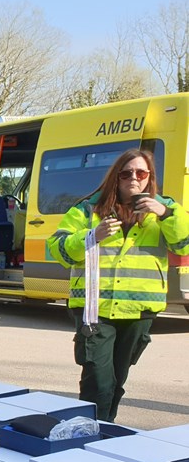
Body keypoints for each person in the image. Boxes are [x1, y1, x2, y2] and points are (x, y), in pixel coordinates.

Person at [46, 148, 189, 422]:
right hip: (94, 310)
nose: (133, 178)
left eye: (141, 172)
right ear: (116, 177)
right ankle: (89, 437)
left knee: (116, 382)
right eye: (126, 173)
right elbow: (56, 249)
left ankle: (105, 433)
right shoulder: (88, 209)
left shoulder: (164, 209)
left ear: (149, 177)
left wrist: (166, 213)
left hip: (138, 310)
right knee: (97, 382)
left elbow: (184, 243)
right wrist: (91, 236)